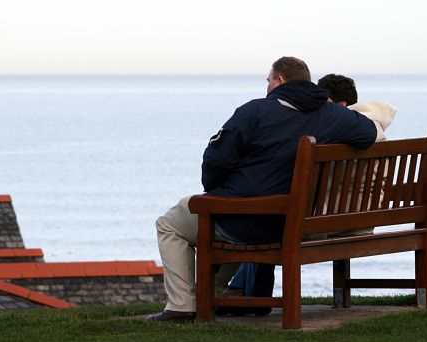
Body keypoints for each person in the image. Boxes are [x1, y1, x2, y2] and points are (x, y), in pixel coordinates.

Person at [147, 57, 377, 323]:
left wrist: (218, 189)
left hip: (249, 222)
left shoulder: (254, 112)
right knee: (231, 215)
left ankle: (181, 306)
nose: (267, 85)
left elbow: (215, 163)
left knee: (170, 224)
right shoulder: (332, 116)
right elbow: (369, 133)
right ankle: (204, 298)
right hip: (297, 224)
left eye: (268, 80)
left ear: (279, 80)